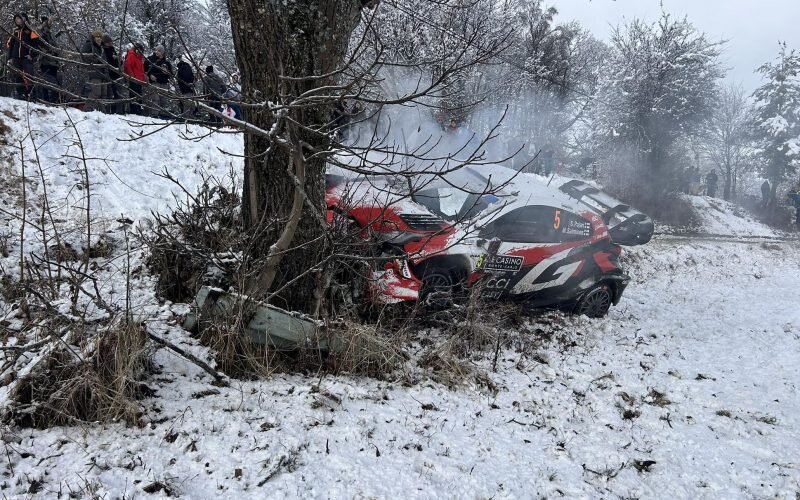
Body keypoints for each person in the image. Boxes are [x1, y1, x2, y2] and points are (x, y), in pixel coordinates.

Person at [6, 13, 40, 99]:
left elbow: (38, 45)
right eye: (16, 19)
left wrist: (32, 55)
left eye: (19, 18)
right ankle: (21, 94)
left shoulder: (31, 30)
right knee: (17, 76)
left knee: (29, 76)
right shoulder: (15, 31)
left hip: (26, 58)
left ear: (24, 19)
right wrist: (10, 57)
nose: (17, 21)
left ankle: (32, 95)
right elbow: (10, 45)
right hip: (16, 58)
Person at [81, 31, 107, 112]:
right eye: (97, 37)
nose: (99, 39)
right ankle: (88, 110)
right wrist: (95, 60)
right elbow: (84, 56)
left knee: (103, 94)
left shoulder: (101, 48)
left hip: (102, 73)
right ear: (93, 38)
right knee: (96, 92)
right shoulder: (89, 45)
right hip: (93, 72)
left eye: (100, 37)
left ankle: (101, 112)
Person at [144, 45, 173, 118]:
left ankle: (163, 115)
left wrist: (167, 72)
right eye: (156, 50)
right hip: (154, 82)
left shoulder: (166, 62)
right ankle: (154, 115)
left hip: (164, 83)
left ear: (162, 52)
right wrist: (150, 75)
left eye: (159, 51)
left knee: (164, 100)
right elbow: (144, 70)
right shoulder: (150, 59)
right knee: (155, 99)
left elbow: (171, 74)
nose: (157, 52)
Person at [36, 16, 61, 103]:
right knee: (48, 81)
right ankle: (46, 99)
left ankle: (53, 100)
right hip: (45, 61)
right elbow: (40, 45)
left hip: (53, 62)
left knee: (53, 80)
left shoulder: (50, 35)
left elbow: (55, 47)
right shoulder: (40, 33)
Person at [123, 42, 145, 115]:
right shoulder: (131, 56)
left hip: (139, 80)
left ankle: (138, 111)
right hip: (134, 79)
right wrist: (132, 76)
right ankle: (134, 111)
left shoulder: (139, 58)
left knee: (138, 96)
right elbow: (128, 65)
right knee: (133, 95)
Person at [101, 34, 121, 113]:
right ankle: (108, 111)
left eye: (111, 42)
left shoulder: (112, 50)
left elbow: (118, 63)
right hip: (108, 74)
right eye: (108, 42)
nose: (110, 44)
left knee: (116, 93)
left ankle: (115, 111)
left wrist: (118, 59)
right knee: (109, 93)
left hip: (115, 73)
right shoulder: (103, 50)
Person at [175, 54, 195, 120]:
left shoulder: (181, 67)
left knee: (186, 104)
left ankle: (187, 118)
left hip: (183, 89)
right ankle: (188, 119)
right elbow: (187, 77)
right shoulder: (186, 67)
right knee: (189, 105)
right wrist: (192, 81)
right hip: (188, 88)